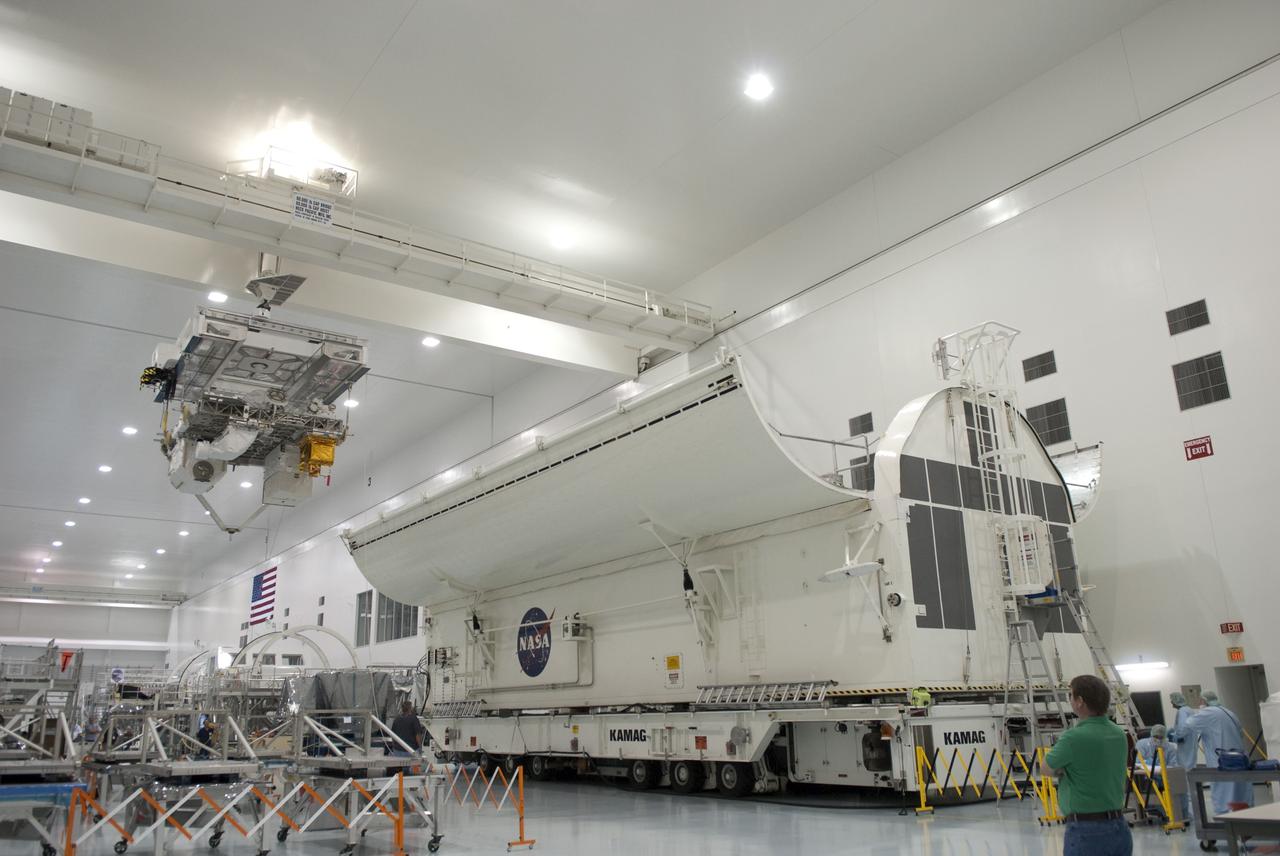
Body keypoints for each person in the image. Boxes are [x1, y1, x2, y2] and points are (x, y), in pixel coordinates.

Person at [1045, 675, 1132, 856]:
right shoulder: (1118, 734)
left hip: (1086, 831)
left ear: (1080, 702)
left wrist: (1065, 769)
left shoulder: (1072, 738)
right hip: (1119, 826)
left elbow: (1046, 768)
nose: (1069, 700)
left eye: (1070, 696)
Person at [1187, 696, 1253, 815]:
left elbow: (1189, 723)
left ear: (1204, 701)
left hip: (1221, 760)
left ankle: (1226, 815)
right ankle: (1244, 816)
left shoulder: (1208, 712)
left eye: (1200, 701)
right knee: (1240, 790)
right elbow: (1240, 733)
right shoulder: (1229, 712)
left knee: (1224, 791)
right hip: (1238, 758)